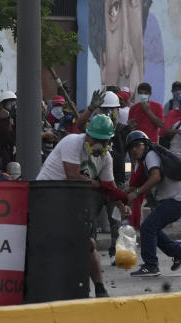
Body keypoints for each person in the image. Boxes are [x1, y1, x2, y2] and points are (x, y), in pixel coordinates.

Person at [38, 114, 128, 296]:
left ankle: (100, 287)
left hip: (73, 200)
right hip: (49, 194)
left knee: (88, 244)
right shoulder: (72, 143)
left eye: (102, 141)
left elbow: (109, 188)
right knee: (51, 244)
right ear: (87, 135)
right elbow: (72, 176)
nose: (97, 144)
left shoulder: (105, 158)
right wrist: (98, 185)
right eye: (94, 139)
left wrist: (120, 205)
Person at [122, 131, 181, 278]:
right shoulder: (145, 159)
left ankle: (151, 266)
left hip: (175, 201)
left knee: (148, 227)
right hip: (175, 201)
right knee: (152, 229)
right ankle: (179, 253)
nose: (134, 150)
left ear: (145, 145)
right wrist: (124, 192)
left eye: (137, 146)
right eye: (131, 148)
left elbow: (155, 177)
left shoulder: (150, 155)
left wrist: (137, 193)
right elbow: (140, 182)